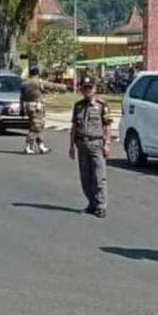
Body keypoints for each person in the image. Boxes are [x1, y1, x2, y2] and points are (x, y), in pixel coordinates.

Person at [69, 76, 113, 218]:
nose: (87, 90)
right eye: (85, 88)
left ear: (95, 89)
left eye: (90, 87)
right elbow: (74, 126)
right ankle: (92, 203)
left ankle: (101, 206)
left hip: (96, 144)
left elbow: (107, 126)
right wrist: (71, 146)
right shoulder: (78, 106)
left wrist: (107, 144)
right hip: (81, 144)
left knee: (99, 177)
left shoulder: (101, 105)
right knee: (85, 177)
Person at [20, 65, 66, 155]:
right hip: (37, 107)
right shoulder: (38, 82)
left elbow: (21, 97)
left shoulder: (24, 83)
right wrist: (64, 87)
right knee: (36, 126)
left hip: (28, 106)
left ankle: (41, 145)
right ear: (37, 72)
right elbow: (51, 86)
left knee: (38, 125)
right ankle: (28, 146)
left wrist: (21, 108)